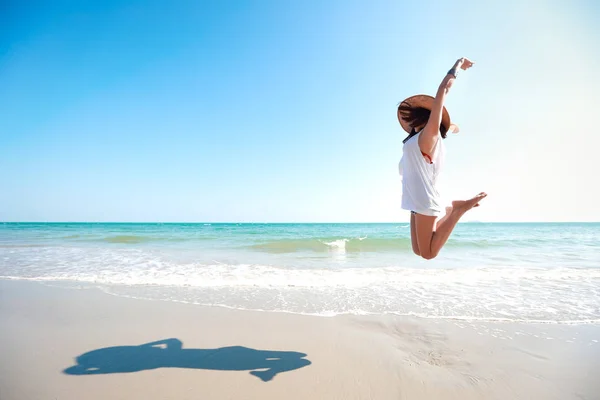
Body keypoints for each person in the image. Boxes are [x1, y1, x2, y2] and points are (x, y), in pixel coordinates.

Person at [398, 57, 487, 260]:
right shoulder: (411, 143)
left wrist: (458, 65)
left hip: (424, 199)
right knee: (418, 250)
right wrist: (451, 126)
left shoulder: (429, 135)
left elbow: (443, 91)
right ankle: (451, 211)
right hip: (414, 200)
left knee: (428, 254)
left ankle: (457, 211)